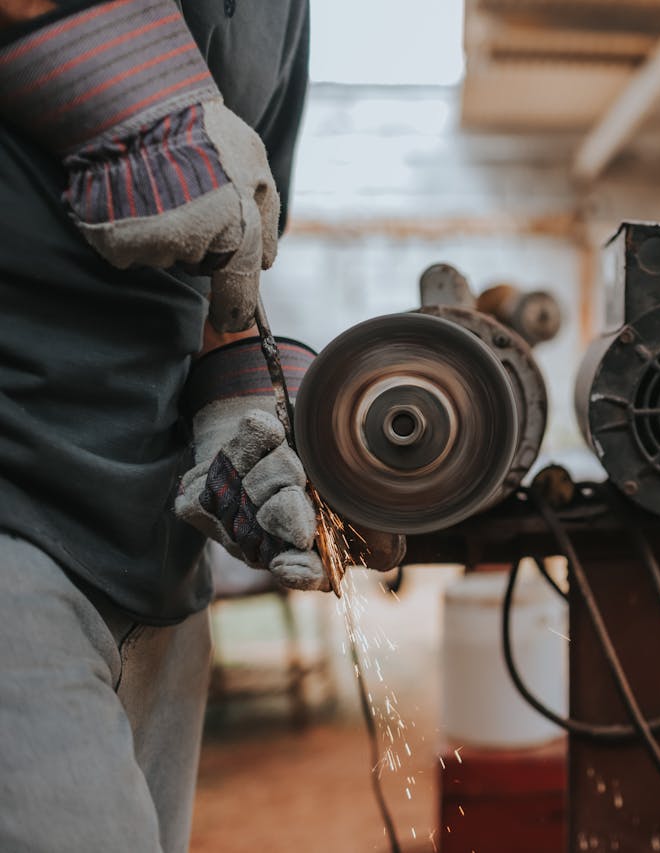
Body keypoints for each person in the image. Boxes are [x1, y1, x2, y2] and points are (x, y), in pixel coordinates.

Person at [0, 2, 400, 850]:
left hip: (156, 553)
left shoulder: (282, 14)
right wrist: (129, 80)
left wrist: (241, 407)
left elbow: (232, 263)